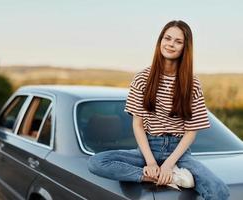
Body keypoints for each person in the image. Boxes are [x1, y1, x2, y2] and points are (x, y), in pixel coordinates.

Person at [88, 20, 230, 200]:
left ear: (185, 48)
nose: (171, 44)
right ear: (160, 41)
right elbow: (138, 125)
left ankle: (174, 174)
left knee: (220, 191)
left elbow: (191, 131)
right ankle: (150, 176)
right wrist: (151, 163)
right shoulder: (142, 79)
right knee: (96, 162)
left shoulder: (192, 83)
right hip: (147, 150)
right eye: (167, 38)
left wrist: (169, 165)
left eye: (178, 41)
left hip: (179, 154)